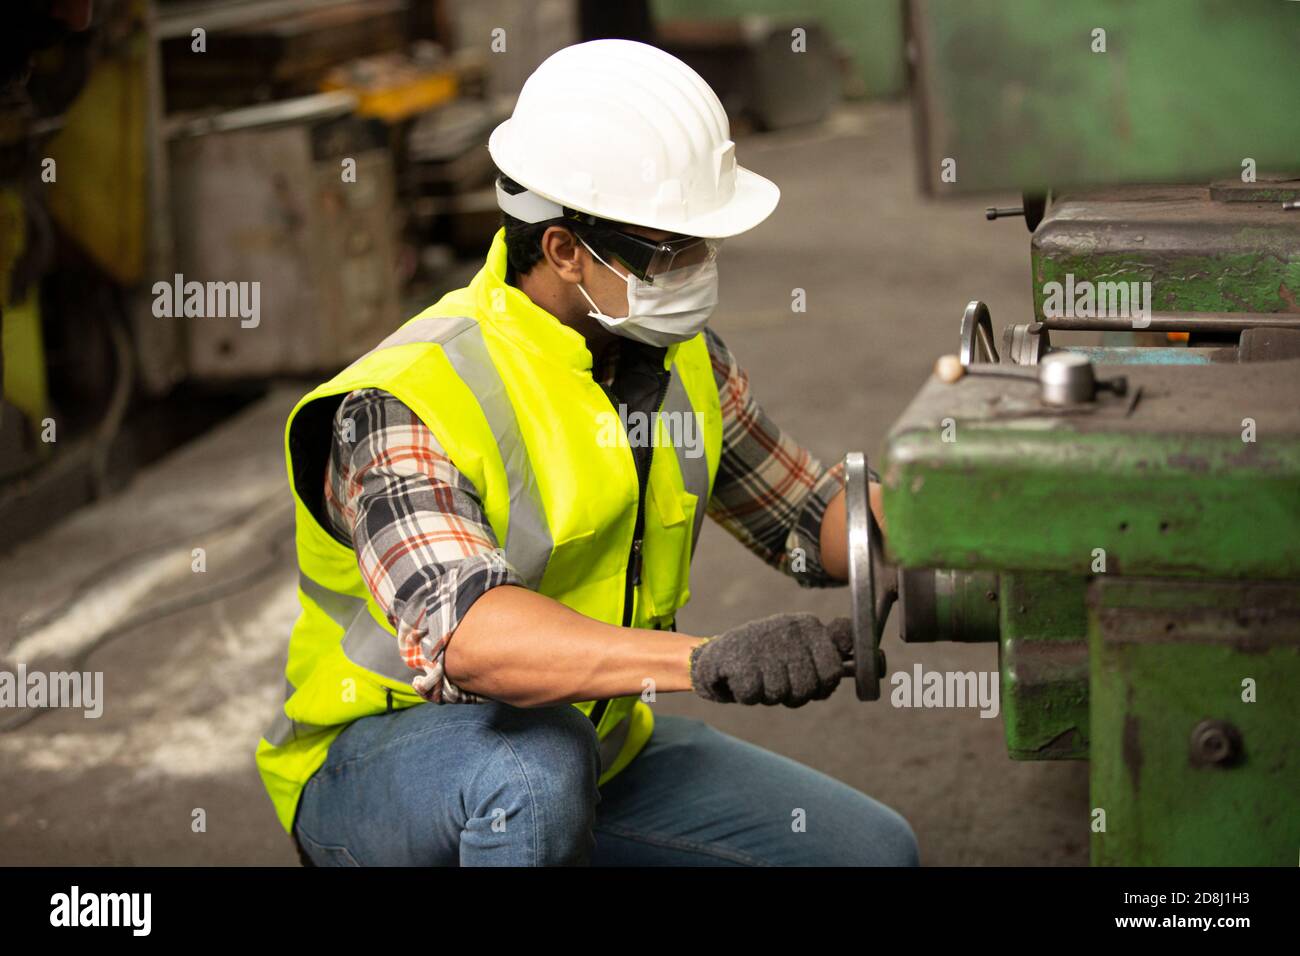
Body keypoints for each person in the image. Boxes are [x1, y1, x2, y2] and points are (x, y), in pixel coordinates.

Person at [256, 38, 918, 867]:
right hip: (389, 767)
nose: (700, 271)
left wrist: (962, 530)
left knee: (870, 855)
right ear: (565, 248)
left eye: (703, 246)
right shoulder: (408, 399)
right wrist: (709, 660)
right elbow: (473, 637)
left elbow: (809, 513)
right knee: (531, 779)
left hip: (595, 748)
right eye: (673, 251)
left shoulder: (682, 361)